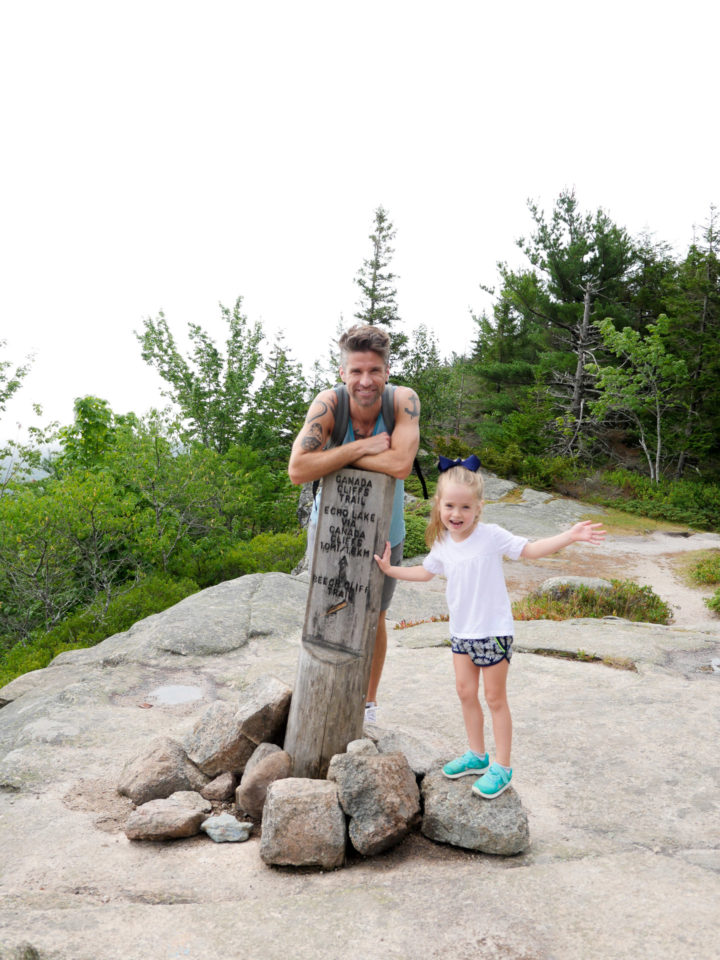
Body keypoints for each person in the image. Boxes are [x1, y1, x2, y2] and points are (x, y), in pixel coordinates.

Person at [374, 455, 606, 798]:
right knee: (465, 693)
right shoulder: (442, 544)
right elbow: (426, 571)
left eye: (465, 507)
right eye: (450, 505)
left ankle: (502, 766)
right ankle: (476, 755)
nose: (456, 514)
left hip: (494, 632)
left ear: (478, 508)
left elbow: (529, 550)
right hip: (461, 634)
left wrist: (568, 536)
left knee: (495, 698)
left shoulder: (491, 536)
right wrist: (392, 570)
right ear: (439, 505)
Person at [288, 324, 420, 724]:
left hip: (385, 535)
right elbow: (298, 469)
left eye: (374, 371)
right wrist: (362, 447)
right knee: (324, 604)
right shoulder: (329, 404)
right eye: (357, 371)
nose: (366, 381)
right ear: (342, 372)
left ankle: (368, 702)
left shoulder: (403, 401)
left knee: (374, 615)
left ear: (387, 370)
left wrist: (335, 456)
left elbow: (400, 464)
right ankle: (318, 687)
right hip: (330, 530)